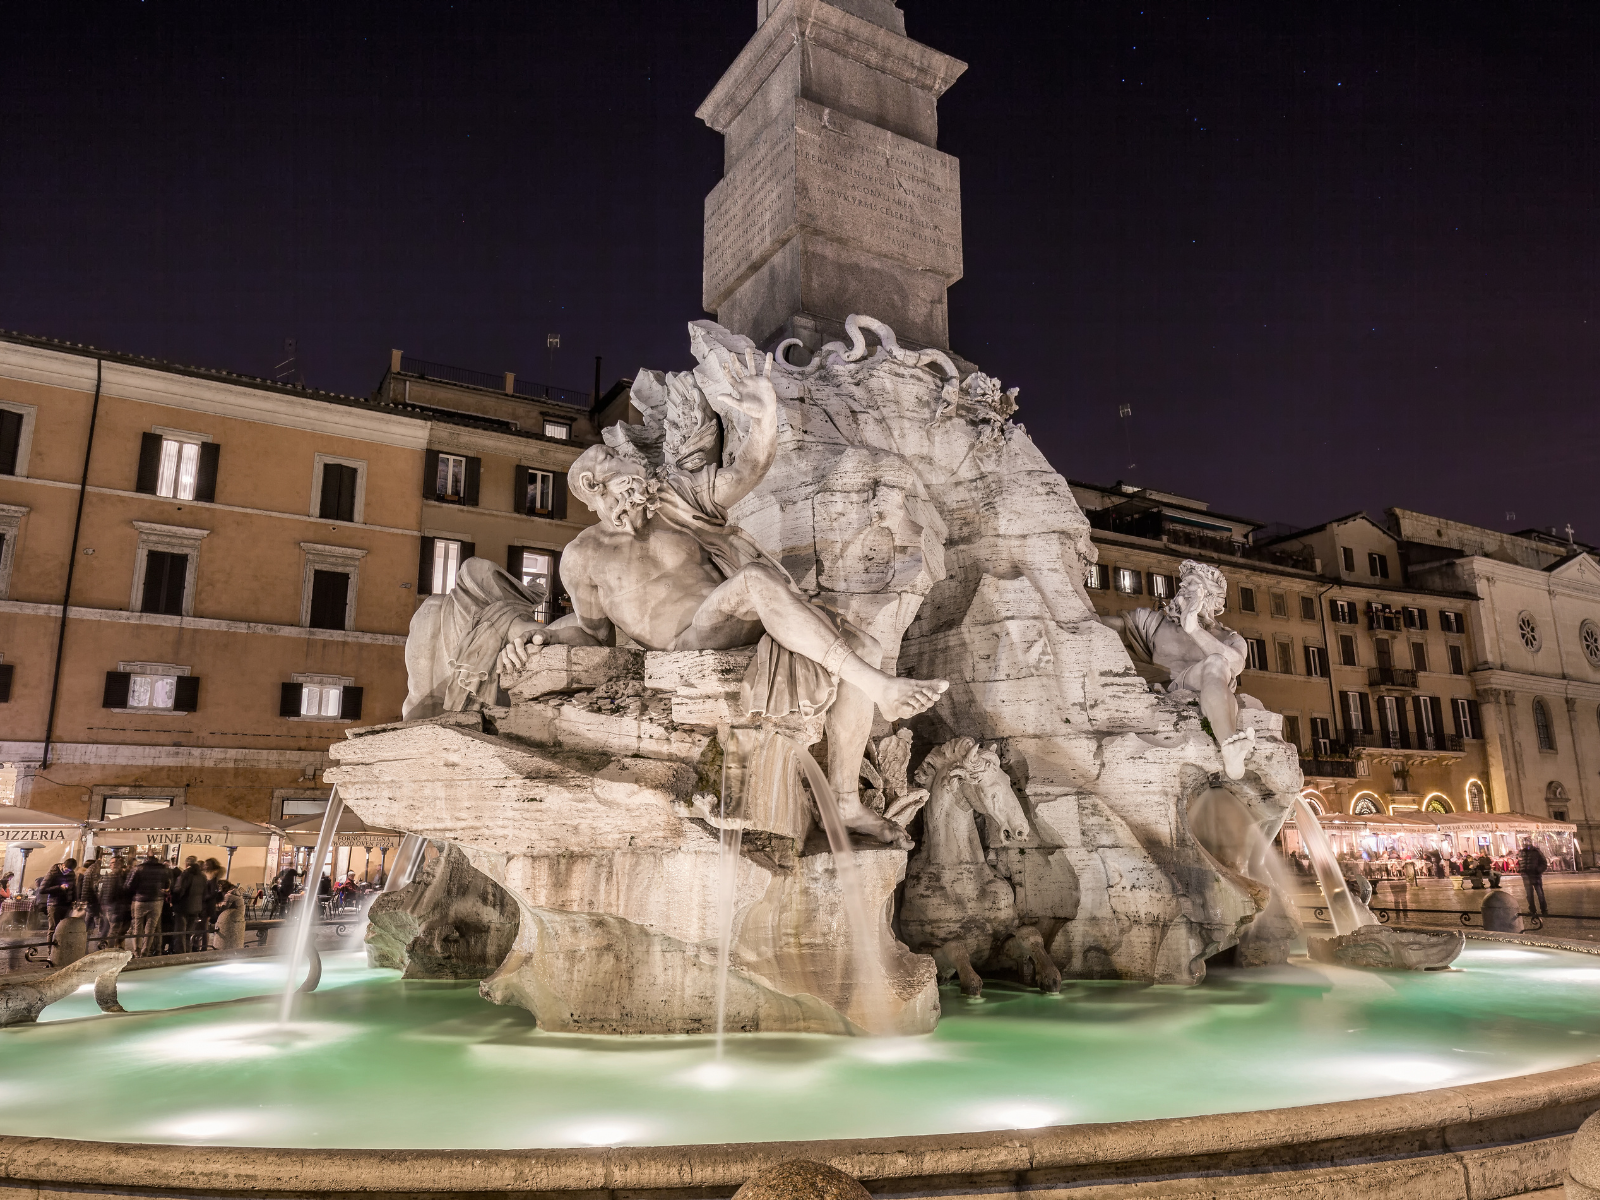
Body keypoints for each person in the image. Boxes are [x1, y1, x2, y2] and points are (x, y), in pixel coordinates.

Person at [497, 351, 947, 849]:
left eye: (625, 461)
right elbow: (592, 634)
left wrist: (766, 418)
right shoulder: (582, 557)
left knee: (864, 644)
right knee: (756, 581)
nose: (633, 469)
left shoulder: (674, 500)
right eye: (617, 464)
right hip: (687, 643)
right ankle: (878, 687)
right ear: (593, 489)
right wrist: (538, 636)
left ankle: (843, 801)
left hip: (735, 618)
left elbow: (747, 471)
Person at [1099, 560, 1254, 779]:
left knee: (1216, 662)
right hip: (1166, 691)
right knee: (1215, 662)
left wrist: (1194, 629)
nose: (1182, 587)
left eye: (1190, 584)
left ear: (1210, 596)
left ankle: (1230, 748)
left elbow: (1235, 665)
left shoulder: (1229, 639)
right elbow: (1101, 626)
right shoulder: (1154, 623)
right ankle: (1229, 745)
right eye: (1183, 583)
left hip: (1209, 692)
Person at [126, 853, 173, 957]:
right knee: (150, 928)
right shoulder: (163, 869)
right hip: (157, 901)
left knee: (137, 927)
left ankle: (136, 952)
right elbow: (167, 885)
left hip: (140, 900)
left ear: (145, 859)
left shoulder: (138, 868)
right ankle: (145, 952)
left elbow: (129, 886)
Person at [170, 856, 207, 952]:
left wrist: (173, 901)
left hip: (183, 907)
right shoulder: (202, 876)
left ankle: (180, 953)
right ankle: (188, 951)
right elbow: (204, 893)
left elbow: (179, 890)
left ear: (186, 864)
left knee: (180, 932)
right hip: (196, 908)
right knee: (189, 932)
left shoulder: (185, 875)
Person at [95, 857, 131, 950]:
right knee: (114, 929)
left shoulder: (118, 876)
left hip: (113, 906)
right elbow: (105, 892)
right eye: (110, 862)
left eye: (113, 863)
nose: (110, 864)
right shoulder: (113, 876)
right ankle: (109, 948)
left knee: (112, 928)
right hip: (114, 907)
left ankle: (109, 945)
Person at [36, 858, 77, 932]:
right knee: (53, 928)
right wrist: (59, 887)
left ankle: (62, 940)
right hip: (54, 904)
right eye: (66, 870)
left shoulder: (72, 873)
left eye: (69, 871)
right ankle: (51, 940)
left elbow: (74, 887)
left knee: (65, 928)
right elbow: (42, 889)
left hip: (67, 904)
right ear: (63, 865)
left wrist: (74, 899)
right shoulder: (53, 873)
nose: (67, 872)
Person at [1518, 838, 1550, 916]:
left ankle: (1544, 910)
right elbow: (1520, 862)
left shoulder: (1536, 852)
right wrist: (1520, 869)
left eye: (1527, 843)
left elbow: (1544, 863)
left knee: (1540, 894)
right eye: (1524, 843)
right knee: (1529, 895)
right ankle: (1532, 910)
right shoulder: (1521, 852)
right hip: (1526, 876)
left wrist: (1538, 870)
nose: (1525, 844)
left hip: (1536, 876)